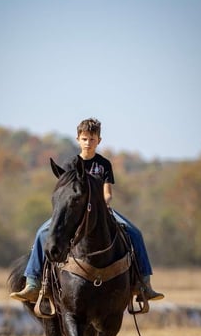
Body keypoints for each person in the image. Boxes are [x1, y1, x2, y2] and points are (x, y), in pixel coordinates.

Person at [10, 117, 164, 307]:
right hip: (72, 211)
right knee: (42, 233)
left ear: (99, 141)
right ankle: (33, 283)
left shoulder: (104, 164)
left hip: (101, 210)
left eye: (92, 139)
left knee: (135, 233)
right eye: (84, 139)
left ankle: (144, 284)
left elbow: (107, 193)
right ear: (78, 140)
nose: (88, 143)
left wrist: (102, 203)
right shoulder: (70, 165)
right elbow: (65, 193)